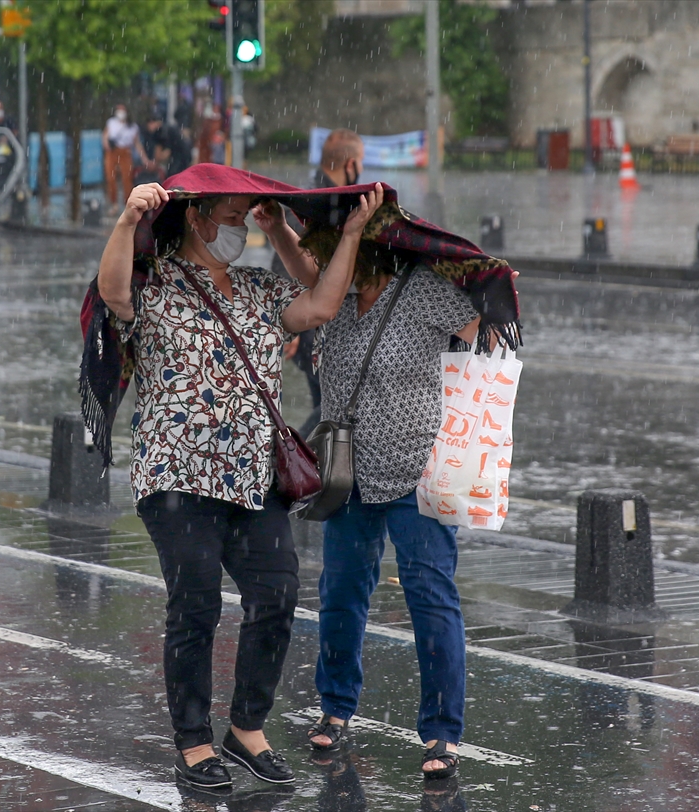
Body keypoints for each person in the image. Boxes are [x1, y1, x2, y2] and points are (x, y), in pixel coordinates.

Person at [95, 177, 385, 790]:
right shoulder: (156, 282)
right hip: (177, 476)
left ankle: (247, 729)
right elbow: (112, 292)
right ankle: (194, 741)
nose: (239, 230)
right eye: (231, 218)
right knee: (196, 602)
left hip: (255, 478)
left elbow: (322, 304)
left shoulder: (258, 287)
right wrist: (126, 222)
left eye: (245, 220)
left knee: (277, 594)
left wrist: (341, 233)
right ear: (196, 218)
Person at [287, 227, 484, 781]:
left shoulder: (422, 290)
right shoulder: (337, 294)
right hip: (348, 474)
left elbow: (489, 336)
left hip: (417, 470)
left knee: (430, 597)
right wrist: (277, 228)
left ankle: (442, 732)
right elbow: (304, 272)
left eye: (330, 250)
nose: (322, 261)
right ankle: (335, 707)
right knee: (341, 592)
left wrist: (489, 289)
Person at [277, 128, 366, 436]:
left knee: (328, 406)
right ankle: (296, 452)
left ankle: (311, 456)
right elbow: (286, 259)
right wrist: (292, 327)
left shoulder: (313, 197)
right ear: (351, 164)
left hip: (315, 326)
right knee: (332, 407)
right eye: (360, 162)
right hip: (314, 327)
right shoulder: (322, 204)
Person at [102, 104, 146, 214]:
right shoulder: (111, 123)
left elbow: (137, 143)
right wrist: (107, 145)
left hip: (125, 152)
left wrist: (144, 158)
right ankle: (114, 204)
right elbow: (105, 136)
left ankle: (128, 204)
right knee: (111, 178)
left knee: (127, 179)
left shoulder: (132, 127)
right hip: (112, 152)